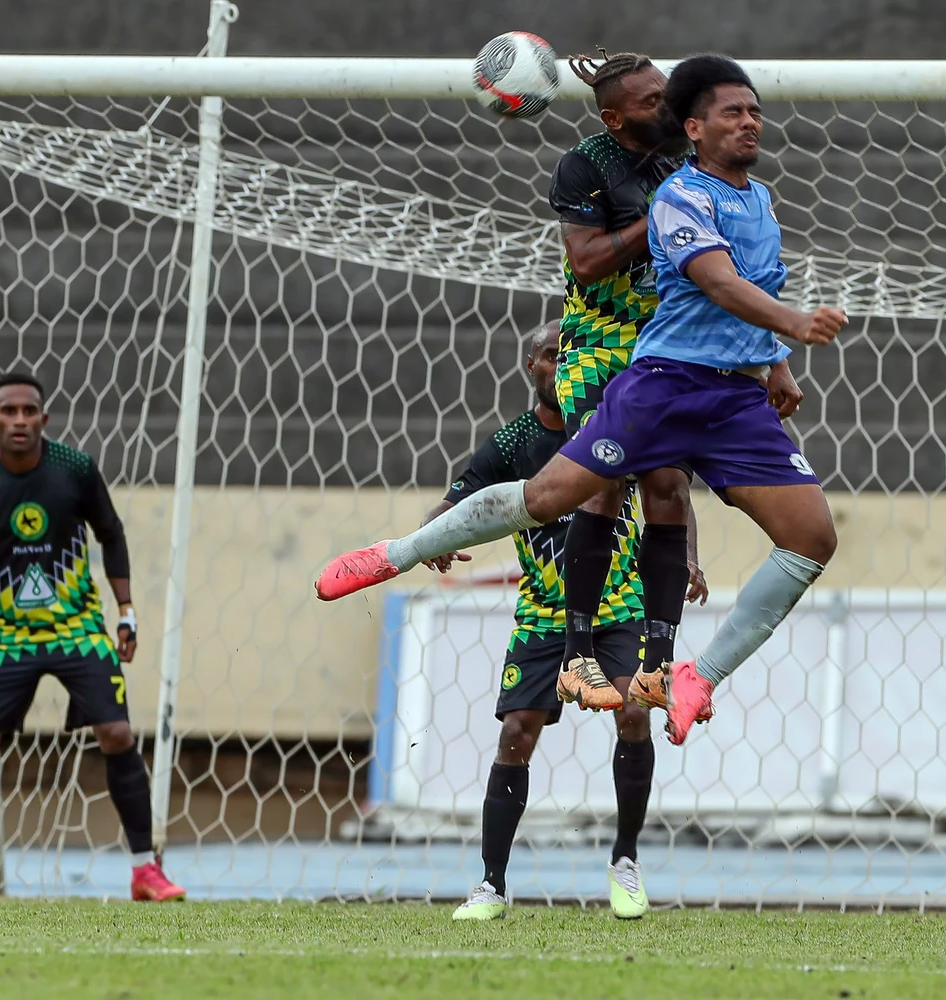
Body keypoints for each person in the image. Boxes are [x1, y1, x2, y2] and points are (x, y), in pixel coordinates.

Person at [316, 55, 846, 748]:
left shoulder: (761, 200)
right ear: (695, 127)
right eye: (732, 113)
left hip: (733, 399)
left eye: (754, 112)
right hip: (665, 384)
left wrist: (775, 363)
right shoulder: (680, 195)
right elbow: (716, 281)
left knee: (812, 538)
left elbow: (751, 278)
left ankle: (693, 675)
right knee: (550, 497)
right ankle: (400, 551)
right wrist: (793, 322)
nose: (750, 122)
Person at [432, 321, 684, 921]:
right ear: (531, 365)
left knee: (632, 711)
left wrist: (689, 558)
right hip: (544, 612)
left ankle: (625, 860)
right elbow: (455, 499)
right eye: (551, 355)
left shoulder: (615, 428)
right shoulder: (513, 443)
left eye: (571, 353)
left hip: (619, 603)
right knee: (517, 731)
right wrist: (430, 537)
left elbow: (672, 497)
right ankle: (491, 885)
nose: (562, 365)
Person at [0, 373, 184, 903]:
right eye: (8, 411)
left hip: (78, 629)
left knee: (118, 734)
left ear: (44, 419)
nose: (19, 420)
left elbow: (112, 533)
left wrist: (126, 612)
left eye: (29, 411)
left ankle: (146, 870)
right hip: (9, 636)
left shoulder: (74, 470)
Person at [548, 50, 739, 718]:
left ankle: (658, 666)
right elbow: (590, 261)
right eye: (651, 101)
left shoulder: (683, 164)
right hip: (599, 348)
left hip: (664, 351)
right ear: (614, 116)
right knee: (601, 484)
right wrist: (660, 215)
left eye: (668, 94)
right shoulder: (586, 164)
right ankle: (577, 655)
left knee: (667, 487)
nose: (667, 107)